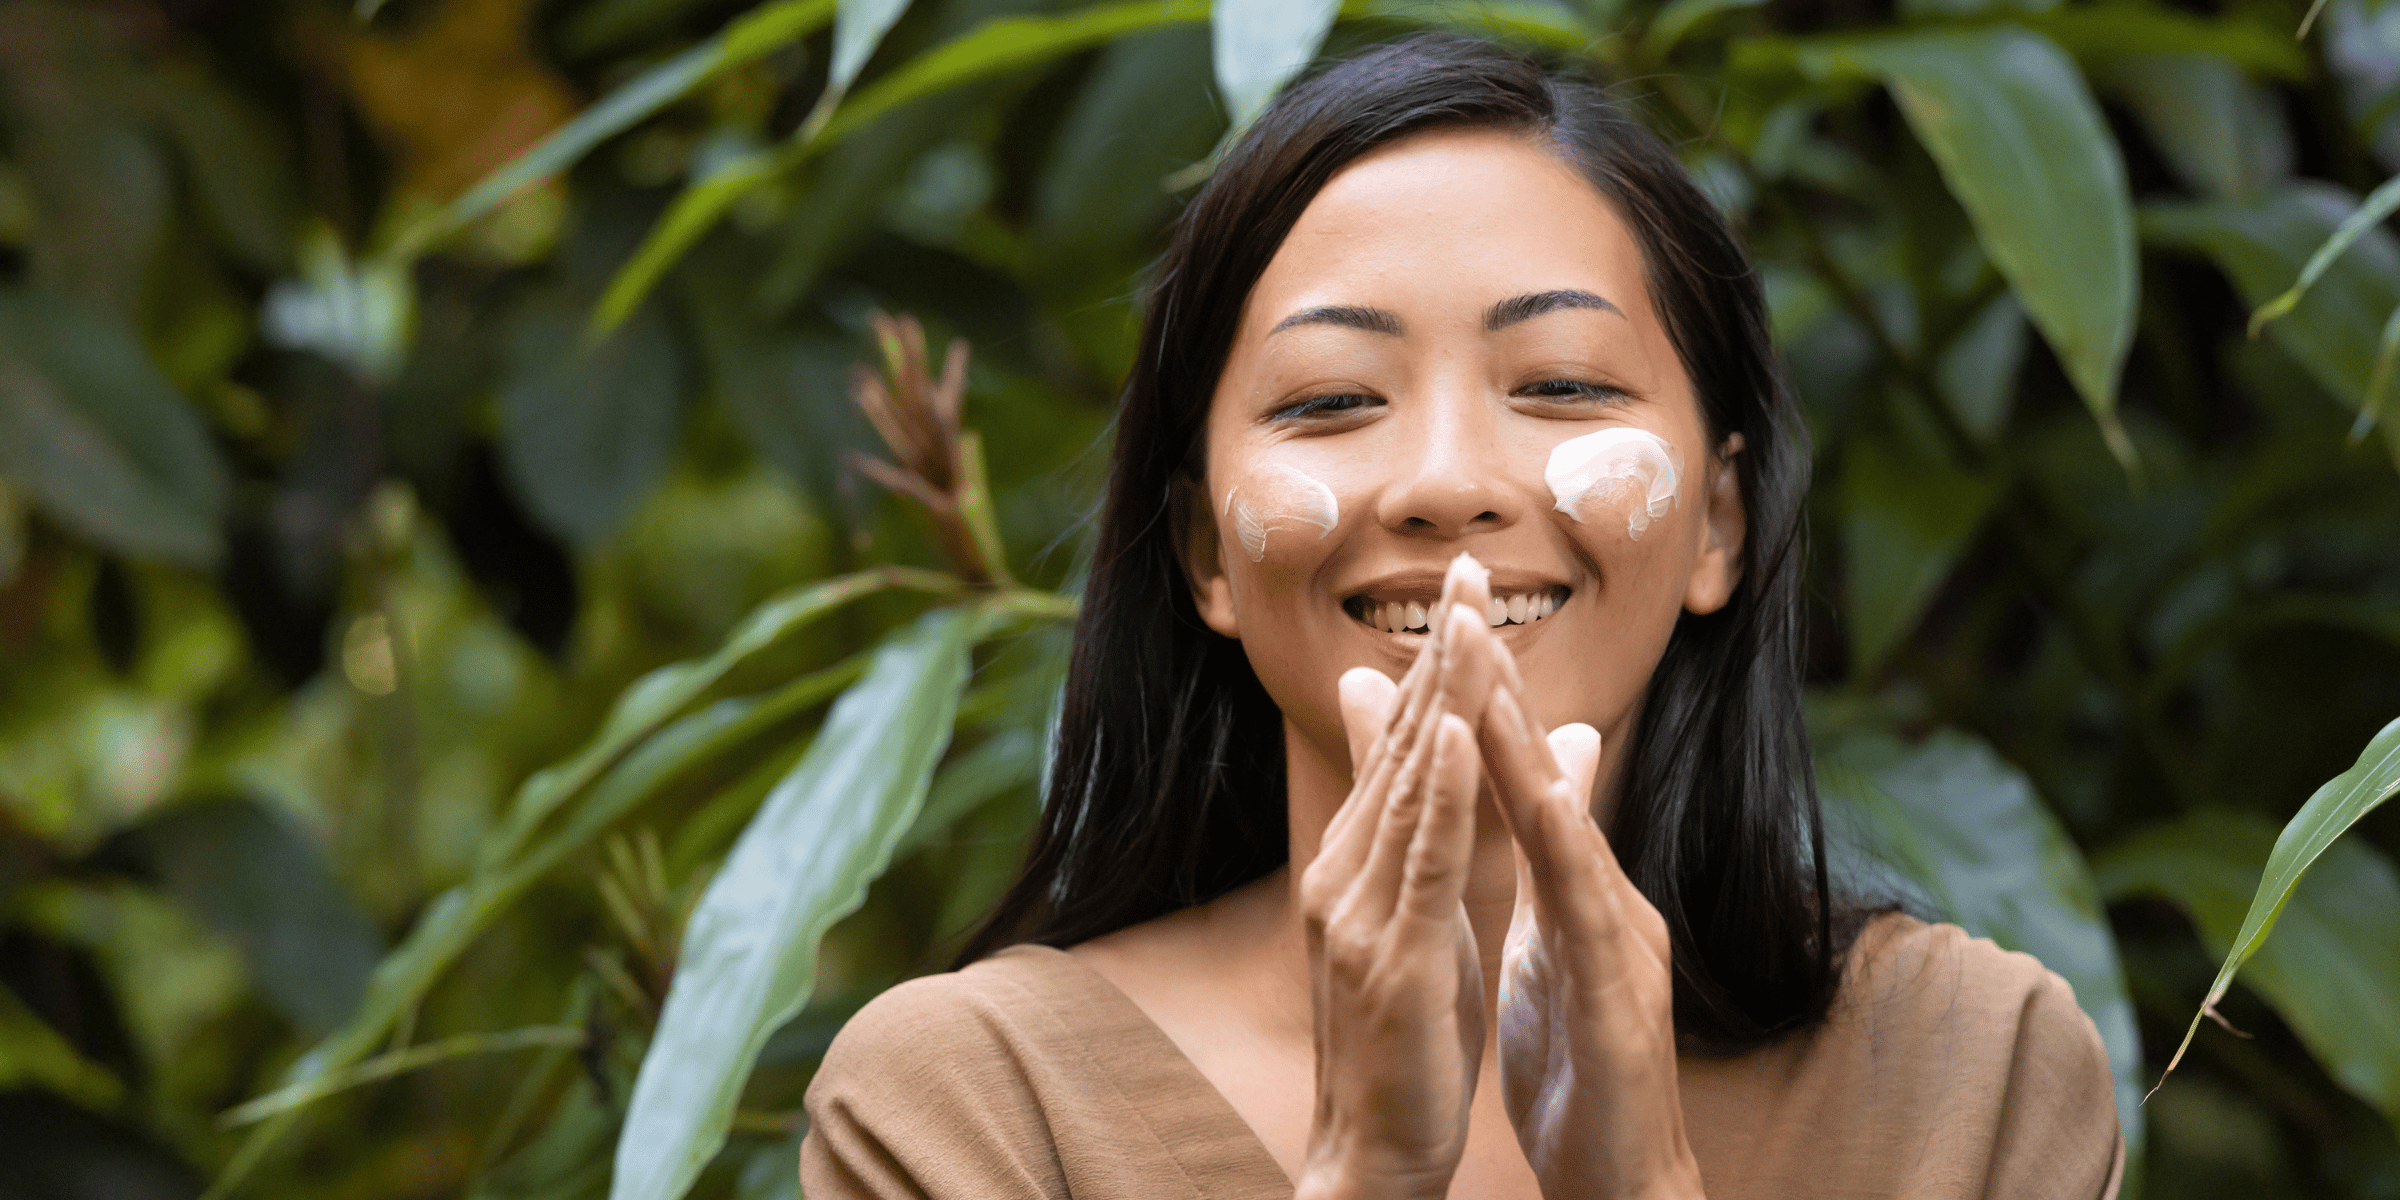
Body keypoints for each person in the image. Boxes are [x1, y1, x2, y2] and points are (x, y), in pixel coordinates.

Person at [799, 34, 2121, 1200]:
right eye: (1328, 401)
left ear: (1719, 523)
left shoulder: (1970, 1073)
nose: (1445, 485)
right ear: (1205, 550)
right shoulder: (974, 1107)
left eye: (1556, 384)